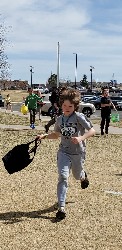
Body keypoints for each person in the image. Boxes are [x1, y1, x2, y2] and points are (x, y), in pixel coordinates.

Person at [36, 89, 95, 220]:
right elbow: (56, 135)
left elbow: (92, 131)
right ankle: (61, 208)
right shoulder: (59, 119)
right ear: (61, 105)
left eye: (70, 106)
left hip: (78, 153)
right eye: (64, 105)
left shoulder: (79, 117)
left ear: (75, 107)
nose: (67, 108)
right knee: (63, 176)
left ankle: (83, 176)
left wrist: (81, 138)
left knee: (76, 175)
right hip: (63, 152)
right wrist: (44, 136)